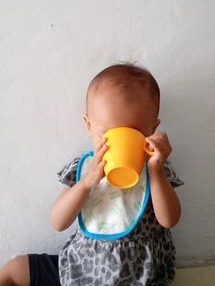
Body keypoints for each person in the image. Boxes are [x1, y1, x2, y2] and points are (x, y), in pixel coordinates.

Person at [0, 62, 184, 286]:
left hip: (140, 276)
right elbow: (58, 221)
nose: (117, 143)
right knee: (15, 269)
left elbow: (169, 220)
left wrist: (155, 170)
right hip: (82, 269)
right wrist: (86, 183)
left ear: (152, 130)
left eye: (132, 133)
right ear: (88, 126)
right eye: (107, 133)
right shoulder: (84, 168)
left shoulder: (156, 167)